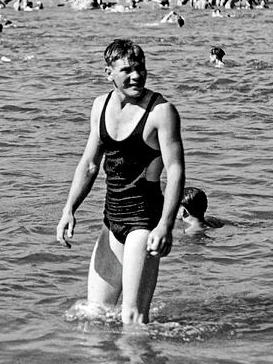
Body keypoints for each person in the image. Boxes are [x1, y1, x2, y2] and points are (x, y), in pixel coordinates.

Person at [56, 39, 185, 325]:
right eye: (127, 70)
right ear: (108, 74)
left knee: (133, 318)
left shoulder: (161, 112)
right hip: (111, 219)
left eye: (140, 68)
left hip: (144, 221)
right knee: (94, 313)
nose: (136, 75)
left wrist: (166, 225)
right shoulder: (100, 106)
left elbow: (175, 171)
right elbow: (89, 165)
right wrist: (69, 209)